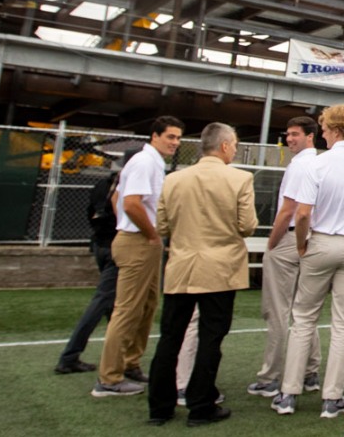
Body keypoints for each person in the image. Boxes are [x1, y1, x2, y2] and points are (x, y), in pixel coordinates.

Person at [271, 105, 344, 419]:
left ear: (333, 129)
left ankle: (288, 393)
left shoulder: (319, 164)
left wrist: (302, 244)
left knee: (304, 318)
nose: (322, 134)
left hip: (321, 242)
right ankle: (332, 397)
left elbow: (303, 212)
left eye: (323, 129)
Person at [146, 123, 257, 426]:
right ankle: (201, 403)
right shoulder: (240, 178)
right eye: (234, 144)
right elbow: (247, 225)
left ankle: (160, 406)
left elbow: (162, 226)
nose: (234, 150)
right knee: (211, 337)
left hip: (182, 266)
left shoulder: (174, 179)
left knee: (170, 337)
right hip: (221, 269)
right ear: (224, 146)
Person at [93, 115, 184, 398]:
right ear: (154, 136)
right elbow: (130, 203)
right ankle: (109, 378)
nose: (175, 143)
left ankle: (130, 363)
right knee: (128, 309)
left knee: (146, 305)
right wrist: (149, 233)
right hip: (139, 242)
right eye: (170, 137)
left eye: (178, 138)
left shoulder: (149, 162)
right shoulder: (146, 162)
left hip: (137, 239)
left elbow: (117, 197)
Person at [248, 117, 322, 398]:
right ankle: (309, 371)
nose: (290, 139)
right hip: (310, 239)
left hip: (292, 237)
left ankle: (272, 375)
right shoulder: (318, 163)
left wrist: (272, 243)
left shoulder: (300, 165)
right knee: (305, 310)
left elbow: (289, 209)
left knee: (279, 309)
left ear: (310, 136)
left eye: (295, 134)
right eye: (288, 134)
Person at [55, 167, 120, 374]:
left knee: (111, 304)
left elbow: (91, 214)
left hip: (100, 246)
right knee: (102, 301)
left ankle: (117, 354)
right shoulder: (120, 187)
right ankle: (70, 356)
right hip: (113, 247)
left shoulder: (102, 185)